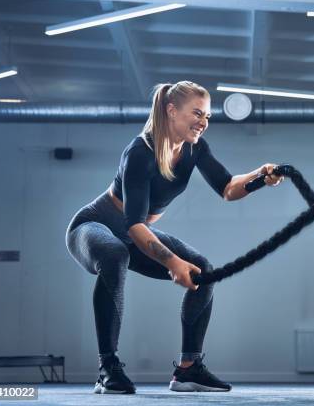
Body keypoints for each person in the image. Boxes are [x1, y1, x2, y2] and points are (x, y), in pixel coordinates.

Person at [65, 81, 283, 394]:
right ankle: (107, 368)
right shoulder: (140, 152)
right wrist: (173, 262)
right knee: (116, 256)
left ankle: (188, 369)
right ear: (171, 110)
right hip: (94, 226)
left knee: (202, 269)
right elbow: (134, 225)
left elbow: (228, 188)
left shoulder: (195, 149)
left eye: (207, 116)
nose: (203, 122)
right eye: (197, 113)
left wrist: (260, 177)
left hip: (134, 232)